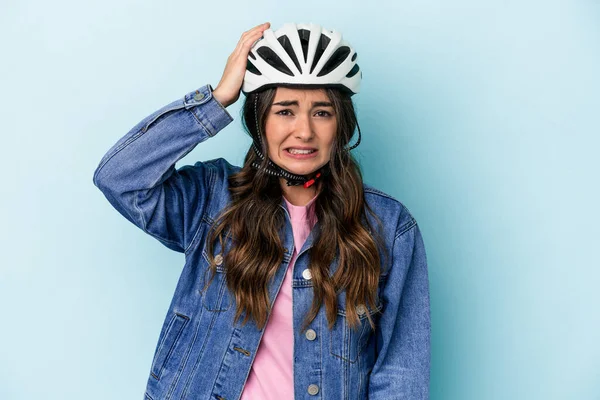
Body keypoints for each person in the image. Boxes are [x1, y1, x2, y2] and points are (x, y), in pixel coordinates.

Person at [93, 21, 430, 400]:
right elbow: (119, 177)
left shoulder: (388, 227)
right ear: (259, 120)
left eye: (321, 113)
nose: (303, 131)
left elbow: (400, 371)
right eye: (285, 111)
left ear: (341, 124)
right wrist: (217, 99)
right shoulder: (212, 199)